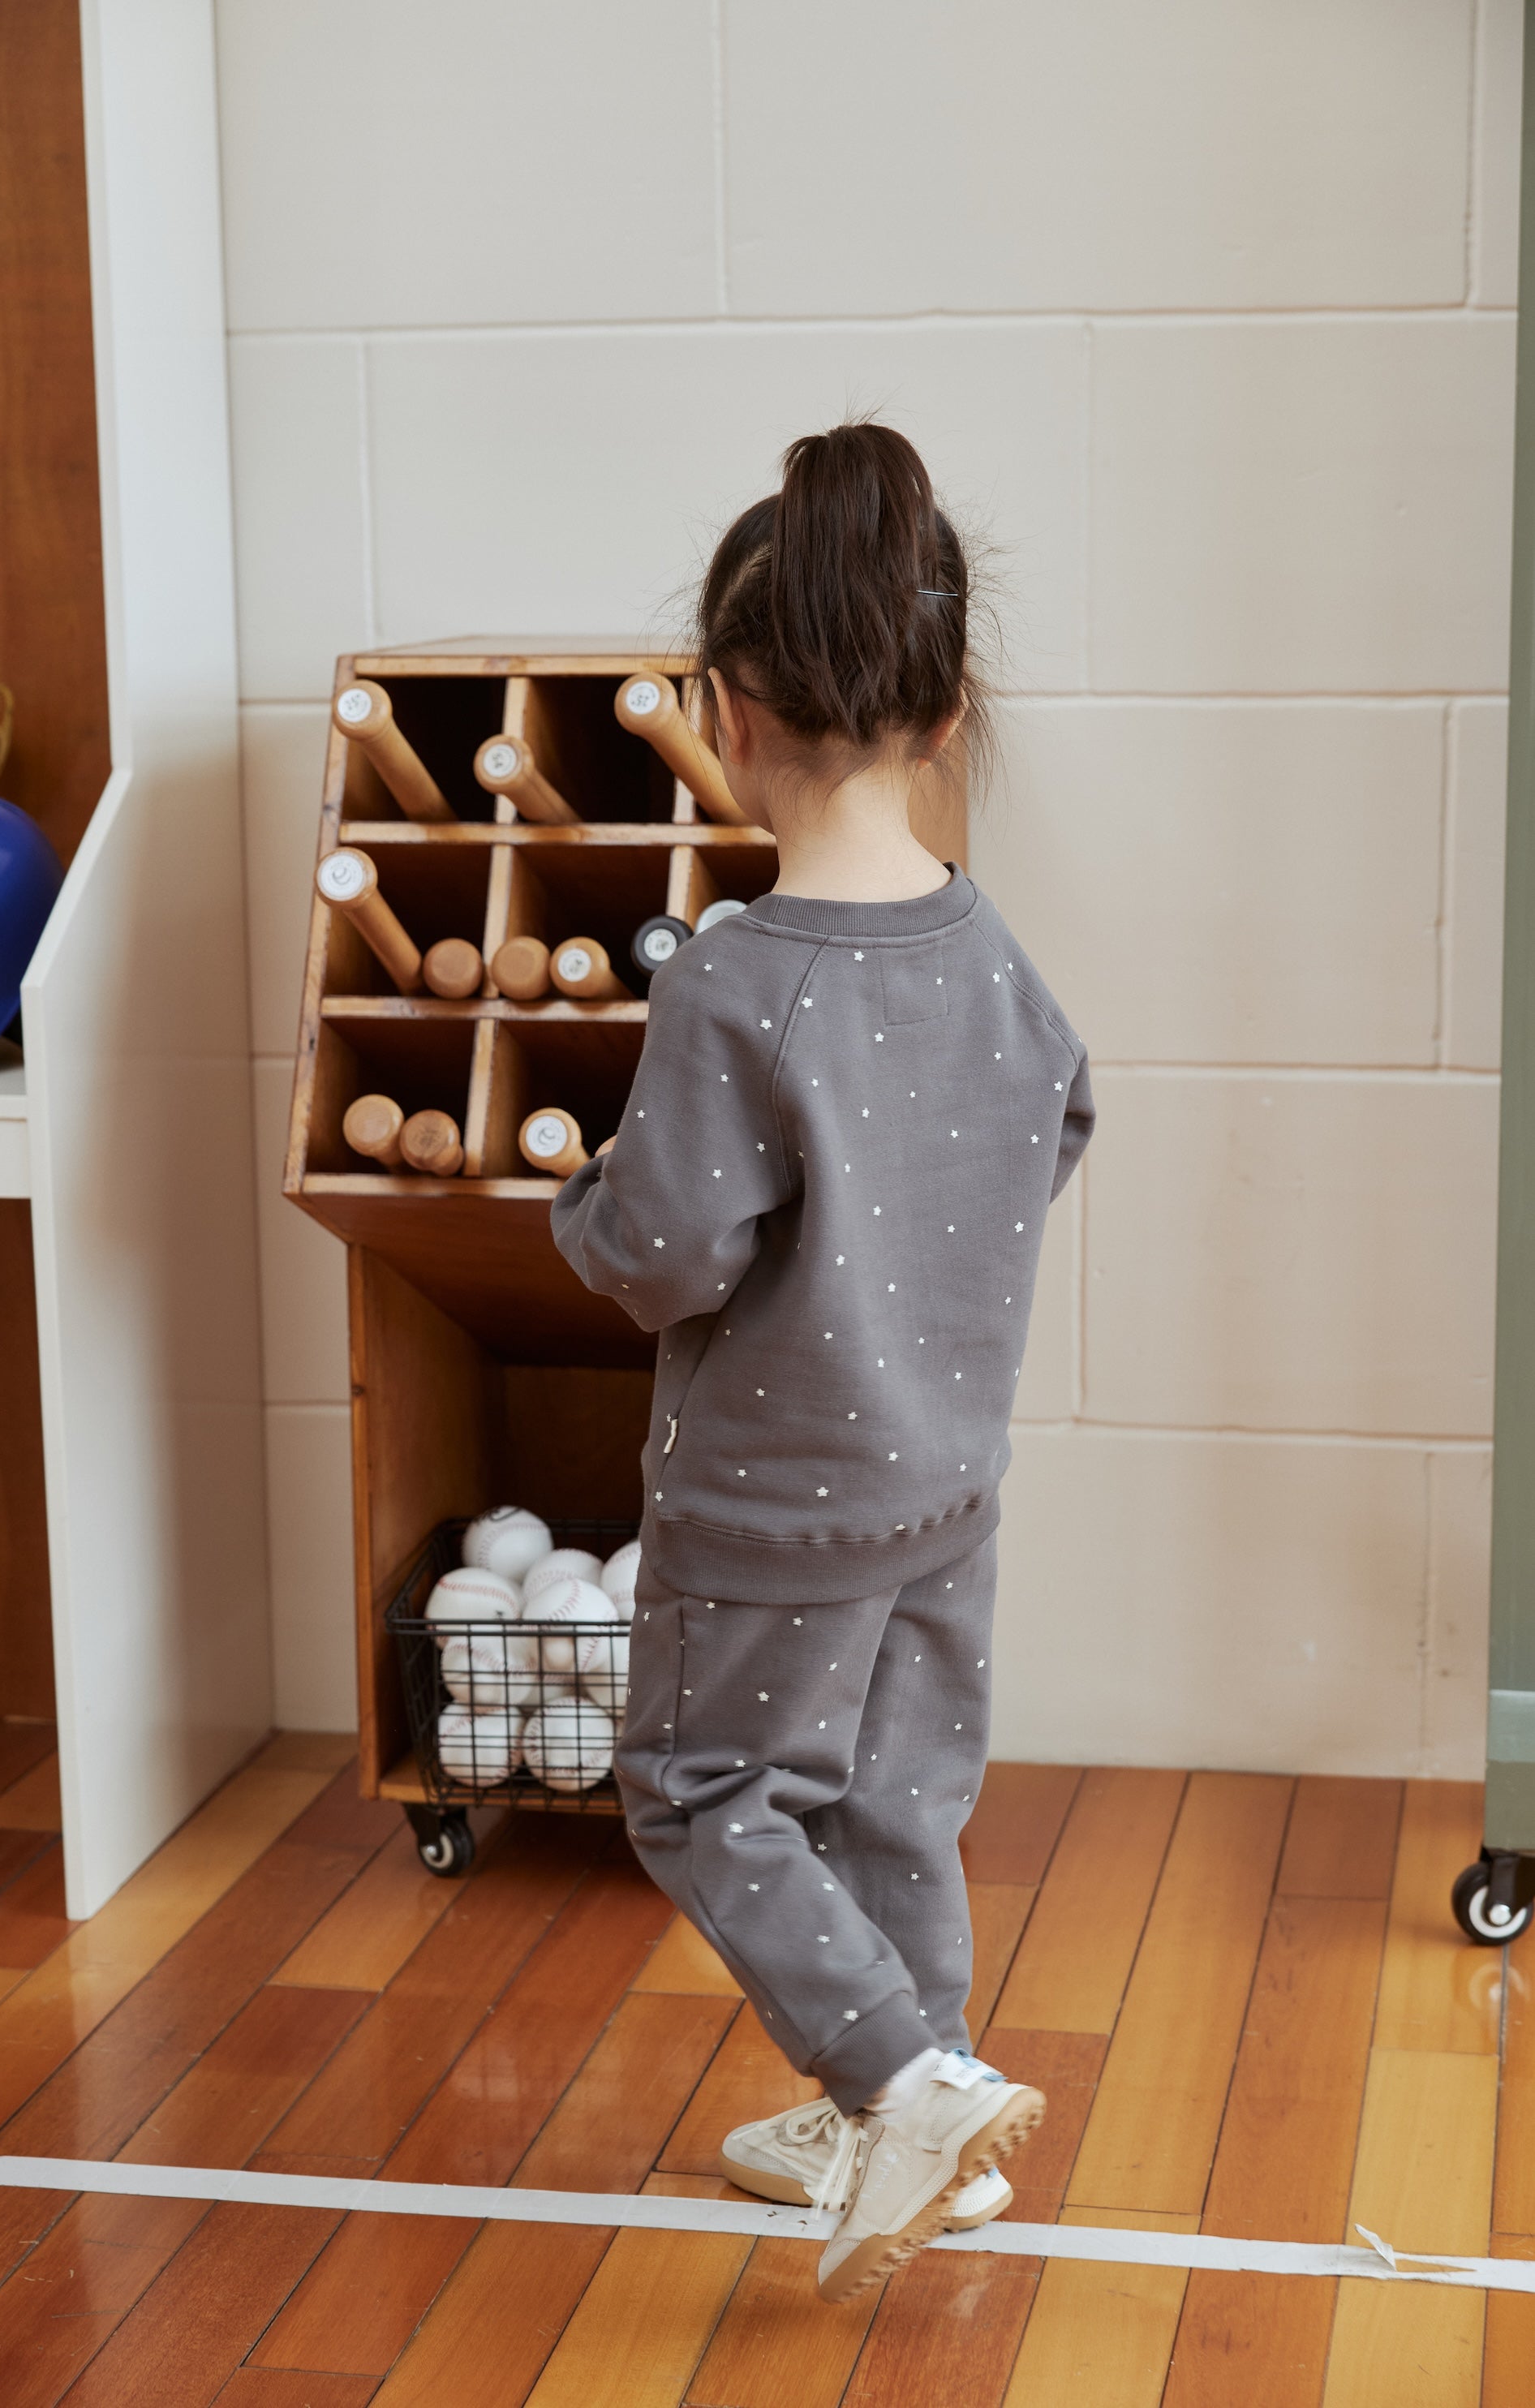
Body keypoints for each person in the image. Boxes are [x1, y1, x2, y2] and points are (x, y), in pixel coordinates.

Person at [552, 421, 1094, 2303]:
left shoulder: (735, 979)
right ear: (946, 711)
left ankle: (903, 2086)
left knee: (698, 1787)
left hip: (769, 1501)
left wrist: (580, 1199)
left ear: (724, 709)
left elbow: (659, 1255)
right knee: (892, 1798)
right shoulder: (987, 949)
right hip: (946, 1478)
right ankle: (918, 2116)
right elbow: (1061, 1115)